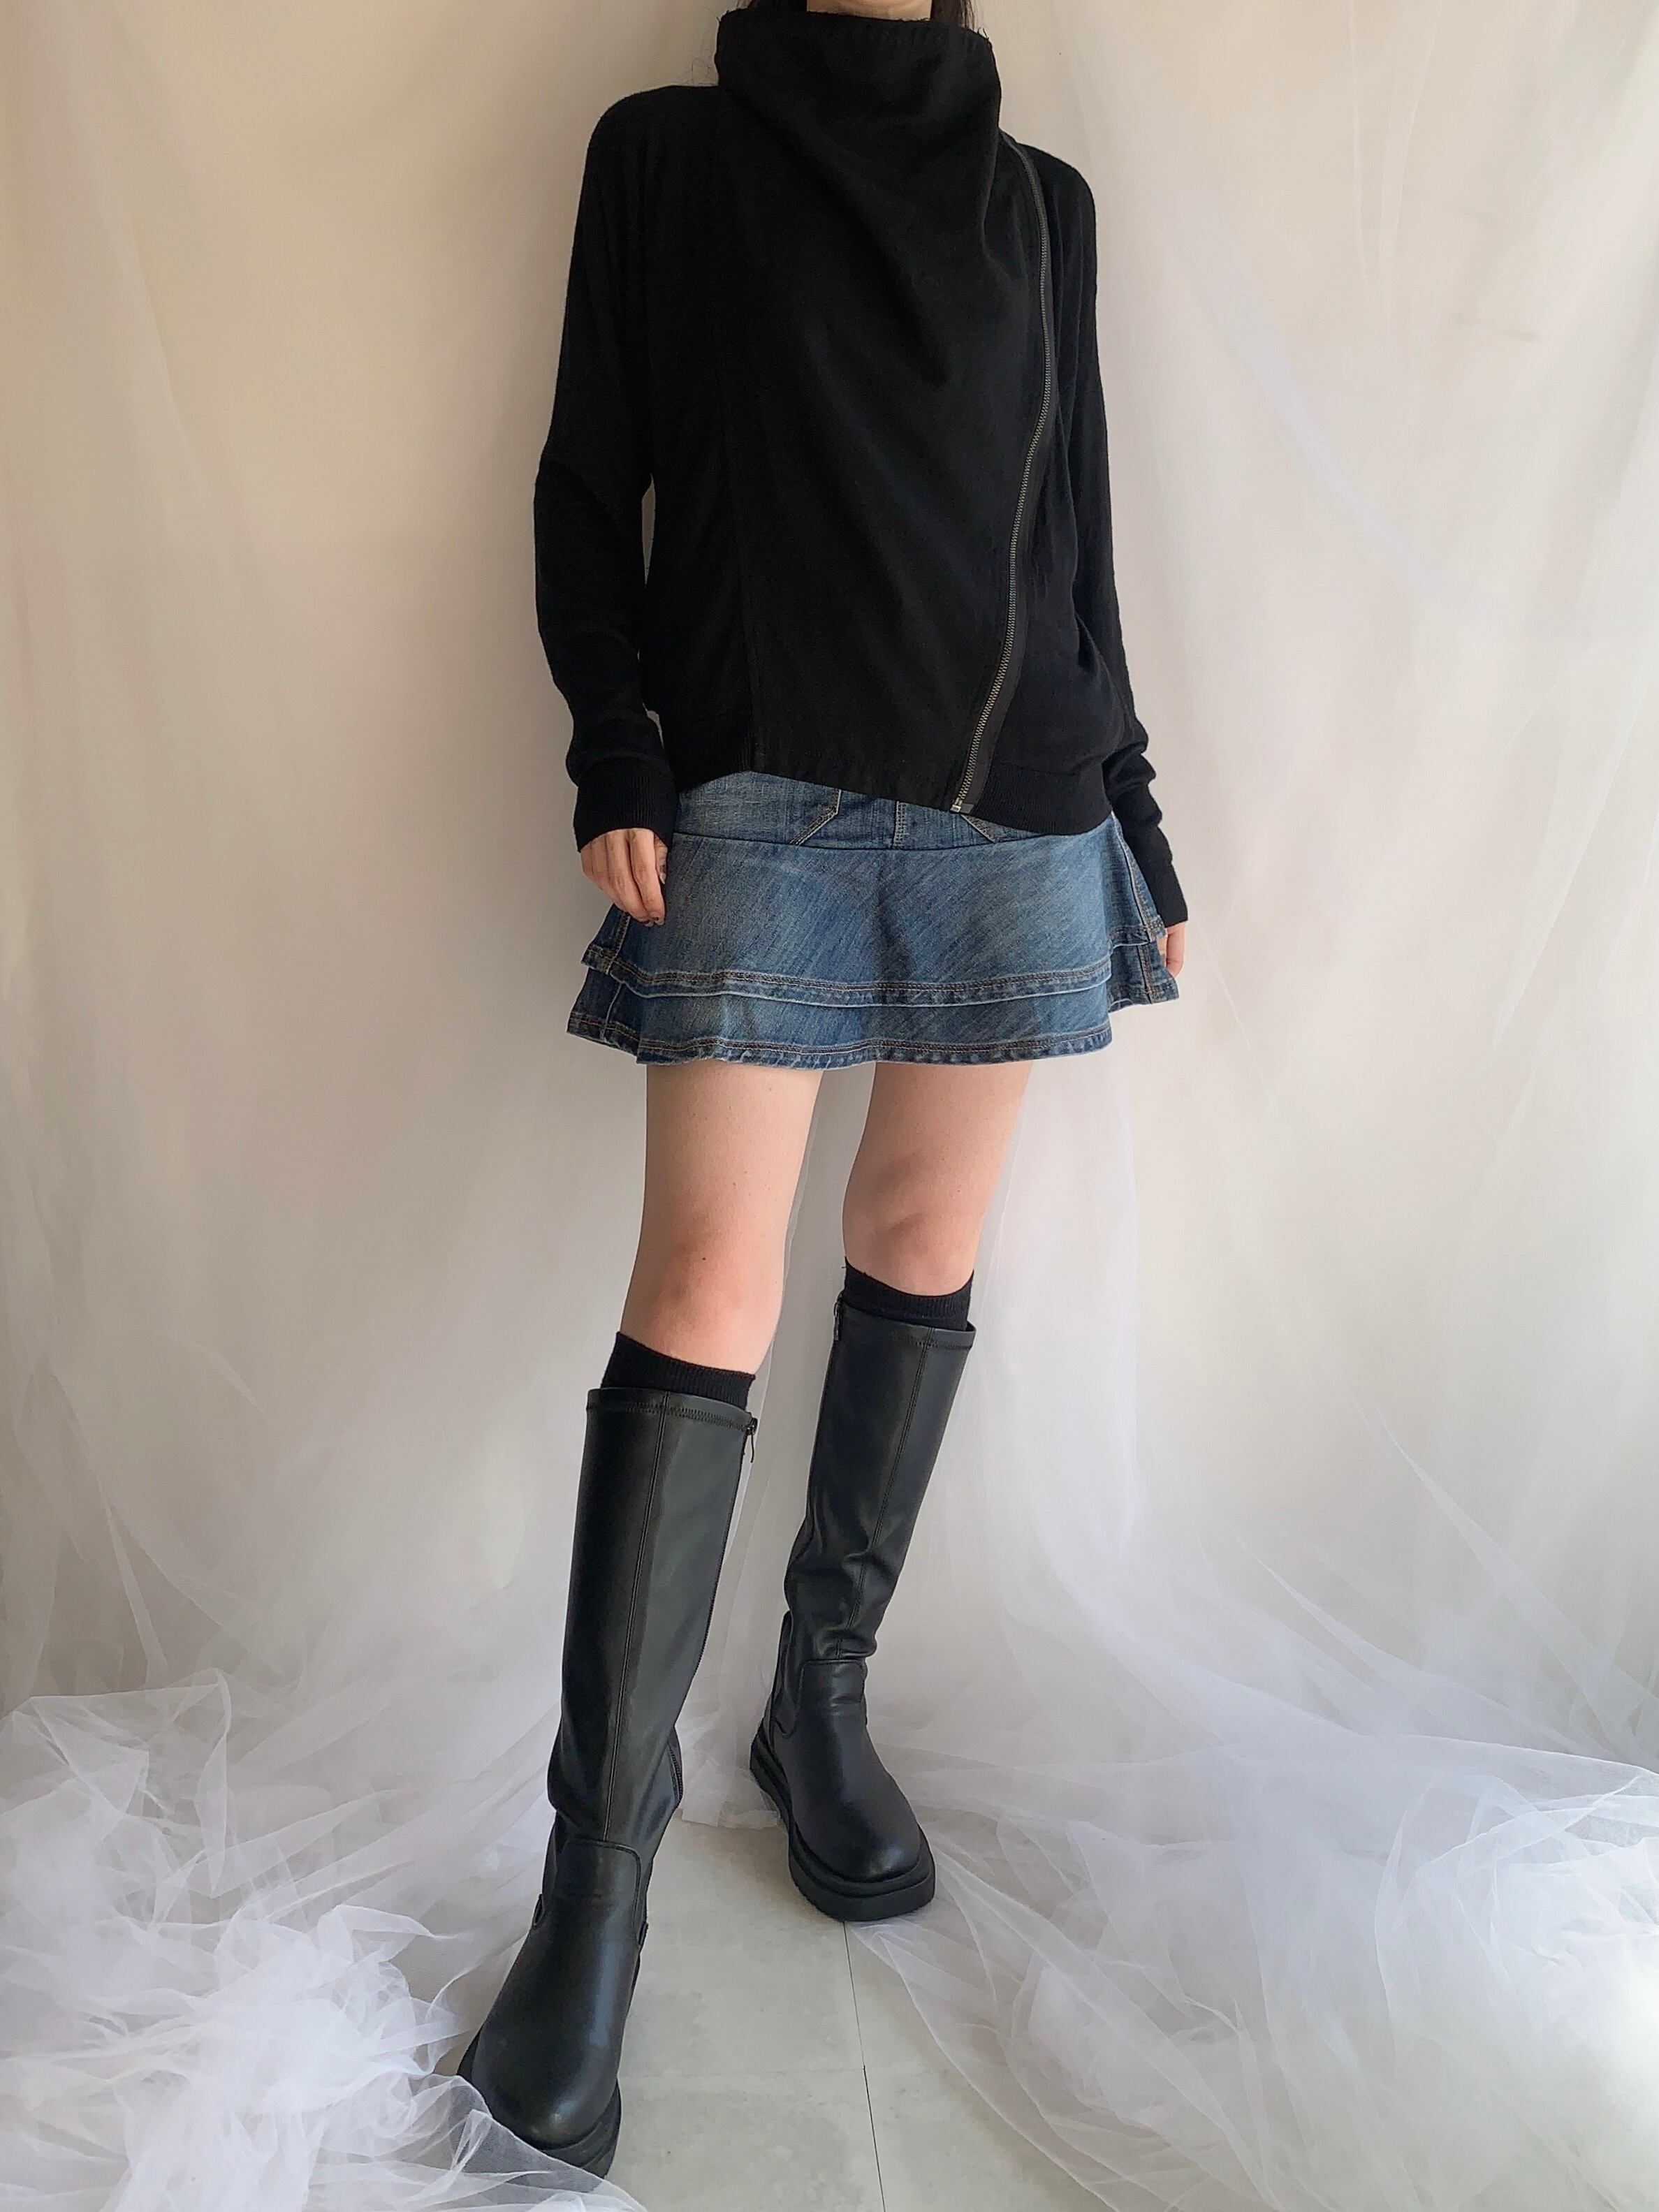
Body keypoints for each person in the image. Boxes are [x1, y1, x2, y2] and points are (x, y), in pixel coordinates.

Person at [457, 0, 1188, 2177]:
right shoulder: (669, 158)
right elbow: (589, 482)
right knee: (704, 1288)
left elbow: (1079, 551)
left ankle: (819, 1703)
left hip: (1016, 811)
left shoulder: (1042, 208)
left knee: (921, 1244)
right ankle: (594, 1900)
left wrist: (1140, 828)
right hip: (755, 788)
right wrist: (617, 745)